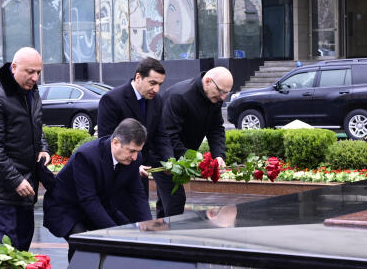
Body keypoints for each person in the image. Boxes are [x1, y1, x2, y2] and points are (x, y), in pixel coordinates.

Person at [0, 47, 50, 252]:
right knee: (9, 254)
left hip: (27, 184)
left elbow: (37, 126)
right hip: (3, 189)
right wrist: (15, 180)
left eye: (38, 72)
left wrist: (43, 148)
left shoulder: (29, 89)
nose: (35, 78)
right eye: (30, 72)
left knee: (21, 250)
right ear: (14, 67)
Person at [43, 119, 152, 245]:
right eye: (132, 151)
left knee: (129, 233)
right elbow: (89, 200)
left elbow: (137, 194)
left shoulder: (134, 159)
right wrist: (113, 234)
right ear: (115, 142)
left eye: (138, 151)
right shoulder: (86, 156)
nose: (135, 157)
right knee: (83, 243)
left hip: (100, 205)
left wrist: (147, 226)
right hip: (66, 208)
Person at [156, 66, 232, 218]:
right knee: (175, 200)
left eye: (227, 93)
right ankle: (173, 238)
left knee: (166, 202)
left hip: (184, 155)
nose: (223, 97)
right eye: (221, 91)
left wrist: (218, 155)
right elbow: (169, 136)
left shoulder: (214, 97)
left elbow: (216, 129)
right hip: (164, 154)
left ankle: (159, 233)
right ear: (208, 81)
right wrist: (195, 159)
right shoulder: (179, 96)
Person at [96, 57, 167, 196]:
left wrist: (169, 161)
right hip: (116, 177)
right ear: (138, 77)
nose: (156, 89)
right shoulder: (112, 99)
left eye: (160, 84)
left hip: (141, 177)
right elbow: (106, 141)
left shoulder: (157, 100)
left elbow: (160, 135)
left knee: (142, 216)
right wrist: (134, 165)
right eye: (152, 83)